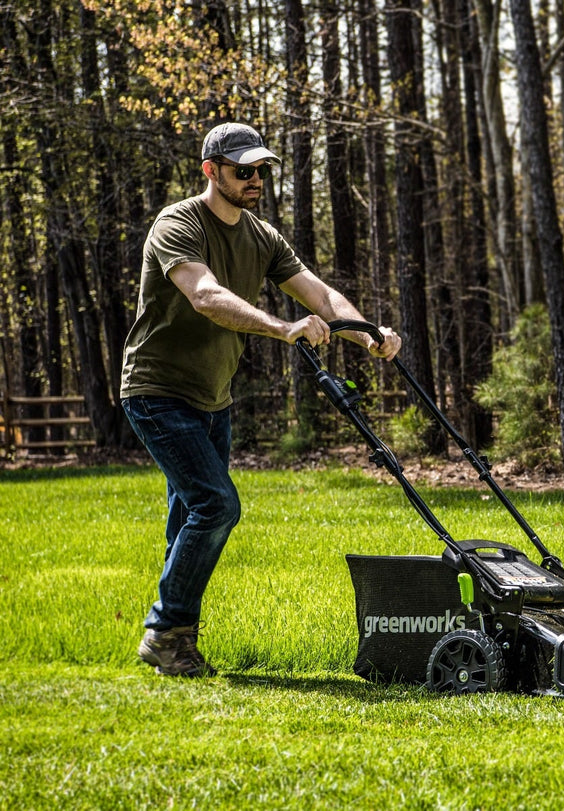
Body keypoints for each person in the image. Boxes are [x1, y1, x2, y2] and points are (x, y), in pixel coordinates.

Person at [121, 122, 401, 677]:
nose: (255, 180)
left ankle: (175, 642)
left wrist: (367, 333)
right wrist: (282, 327)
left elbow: (318, 293)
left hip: (214, 396)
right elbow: (205, 295)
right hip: (157, 390)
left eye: (262, 171)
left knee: (190, 518)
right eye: (243, 170)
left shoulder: (262, 236)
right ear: (211, 170)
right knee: (216, 506)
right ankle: (165, 631)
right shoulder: (177, 223)